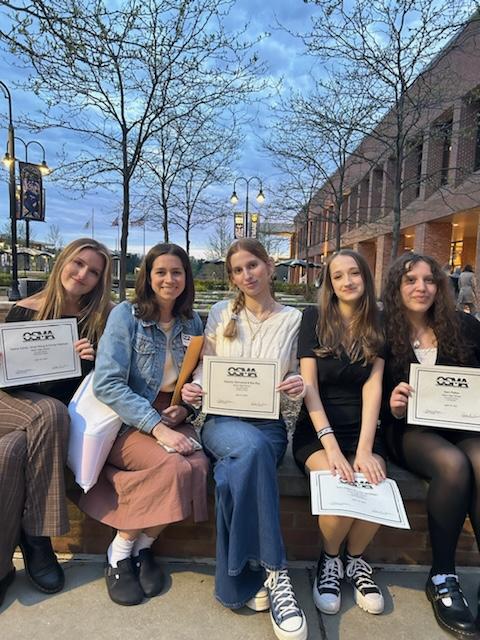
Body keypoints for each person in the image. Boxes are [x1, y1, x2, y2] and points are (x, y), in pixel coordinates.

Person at [182, 238, 308, 640]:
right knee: (247, 451)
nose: (246, 276)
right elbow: (206, 368)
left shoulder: (294, 319)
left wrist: (297, 384)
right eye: (237, 270)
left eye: (252, 266)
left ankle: (244, 576)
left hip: (269, 425)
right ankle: (277, 571)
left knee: (231, 474)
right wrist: (193, 389)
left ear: (270, 266)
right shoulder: (221, 312)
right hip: (220, 419)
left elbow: (298, 374)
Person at [80, 243, 209, 607]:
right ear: (147, 276)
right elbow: (107, 383)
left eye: (177, 272)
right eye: (161, 272)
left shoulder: (192, 322)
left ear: (187, 277)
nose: (169, 279)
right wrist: (156, 425)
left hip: (171, 414)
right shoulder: (126, 316)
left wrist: (185, 409)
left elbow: (192, 383)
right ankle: (119, 552)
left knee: (198, 464)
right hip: (128, 420)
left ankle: (144, 547)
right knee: (170, 465)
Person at [0, 238, 112, 606]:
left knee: (12, 452)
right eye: (78, 264)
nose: (82, 275)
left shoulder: (97, 321)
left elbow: (97, 390)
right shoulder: (23, 311)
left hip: (46, 425)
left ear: (100, 280)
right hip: (10, 405)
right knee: (49, 410)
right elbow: (13, 384)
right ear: (62, 261)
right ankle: (38, 538)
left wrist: (90, 363)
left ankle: (2, 566)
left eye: (93, 271)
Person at [382, 252, 480, 640]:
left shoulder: (465, 327)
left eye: (429, 280)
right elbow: (365, 391)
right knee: (453, 465)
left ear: (440, 286)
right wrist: (393, 403)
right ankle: (442, 576)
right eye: (410, 280)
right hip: (407, 430)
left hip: (460, 425)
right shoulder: (384, 331)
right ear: (396, 287)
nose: (421, 287)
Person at [292, 249, 386, 617]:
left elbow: (373, 388)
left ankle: (356, 561)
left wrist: (364, 450)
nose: (347, 282)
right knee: (337, 486)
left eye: (354, 274)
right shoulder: (313, 318)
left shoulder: (378, 322)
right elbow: (309, 387)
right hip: (316, 429)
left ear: (365, 277)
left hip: (361, 429)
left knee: (374, 484)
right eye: (338, 276)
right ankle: (329, 562)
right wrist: (330, 446)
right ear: (329, 284)